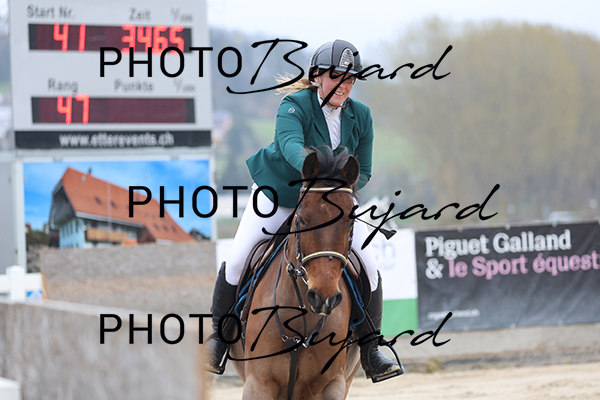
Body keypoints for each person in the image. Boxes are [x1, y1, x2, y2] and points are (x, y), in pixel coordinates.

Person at [206, 39, 402, 382]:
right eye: (336, 77)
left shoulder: (362, 115)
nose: (343, 85)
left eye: (350, 79)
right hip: (279, 194)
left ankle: (371, 349)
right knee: (237, 259)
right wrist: (315, 173)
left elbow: (365, 169)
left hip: (331, 203)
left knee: (369, 267)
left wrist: (337, 192)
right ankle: (219, 340)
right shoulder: (294, 105)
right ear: (316, 77)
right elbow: (290, 145)